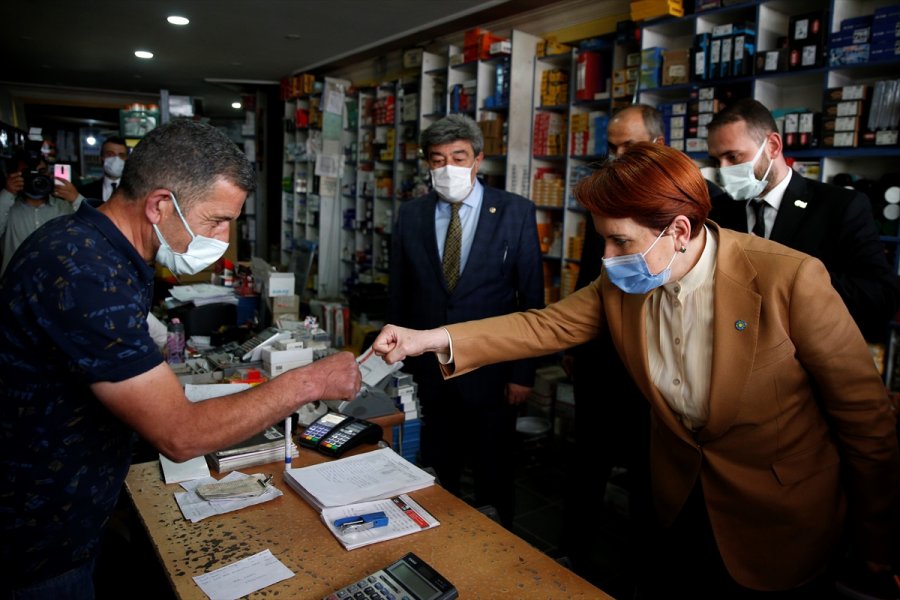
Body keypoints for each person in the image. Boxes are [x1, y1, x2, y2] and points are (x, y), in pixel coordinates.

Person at [373, 142, 900, 599]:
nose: (606, 258)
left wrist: (878, 547)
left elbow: (865, 419)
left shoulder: (791, 278)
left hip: (780, 517)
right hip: (679, 500)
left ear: (678, 229)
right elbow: (543, 327)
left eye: (620, 241)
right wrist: (429, 338)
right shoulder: (625, 283)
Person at [0, 120, 362, 599]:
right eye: (216, 221)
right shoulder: (84, 271)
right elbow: (181, 434)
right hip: (36, 546)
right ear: (159, 205)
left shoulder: (100, 250)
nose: (224, 238)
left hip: (70, 520)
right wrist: (308, 382)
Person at [387, 114, 543, 527]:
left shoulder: (516, 212)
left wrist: (522, 374)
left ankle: (499, 552)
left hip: (492, 372)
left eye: (458, 157)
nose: (447, 168)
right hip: (429, 371)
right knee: (438, 468)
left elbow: (531, 299)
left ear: (478, 159)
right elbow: (400, 292)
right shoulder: (412, 215)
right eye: (437, 160)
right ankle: (444, 544)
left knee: (494, 471)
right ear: (427, 164)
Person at [707, 98, 900, 342]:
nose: (723, 171)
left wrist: (792, 280)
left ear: (773, 146)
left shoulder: (840, 207)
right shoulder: (720, 211)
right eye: (716, 161)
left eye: (733, 157)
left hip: (807, 352)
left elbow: (881, 296)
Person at [0, 142, 83, 274]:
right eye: (29, 173)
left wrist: (76, 198)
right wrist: (7, 192)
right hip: (14, 284)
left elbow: (95, 228)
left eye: (42, 172)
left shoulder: (64, 207)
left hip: (54, 283)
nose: (36, 178)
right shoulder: (7, 207)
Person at [77, 135, 129, 203]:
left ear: (127, 159)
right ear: (101, 158)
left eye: (121, 155)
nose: (116, 159)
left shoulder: (136, 191)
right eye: (110, 154)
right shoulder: (84, 191)